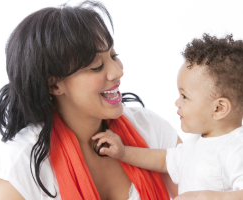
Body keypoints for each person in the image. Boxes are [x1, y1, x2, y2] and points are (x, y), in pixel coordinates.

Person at [0, 1, 181, 199]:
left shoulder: (151, 129)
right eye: (97, 66)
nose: (118, 71)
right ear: (54, 85)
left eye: (114, 56)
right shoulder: (20, 166)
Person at [93, 34, 243, 200]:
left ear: (219, 108)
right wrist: (123, 152)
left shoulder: (237, 147)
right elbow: (163, 160)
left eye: (184, 96)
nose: (177, 102)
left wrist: (201, 196)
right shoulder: (193, 145)